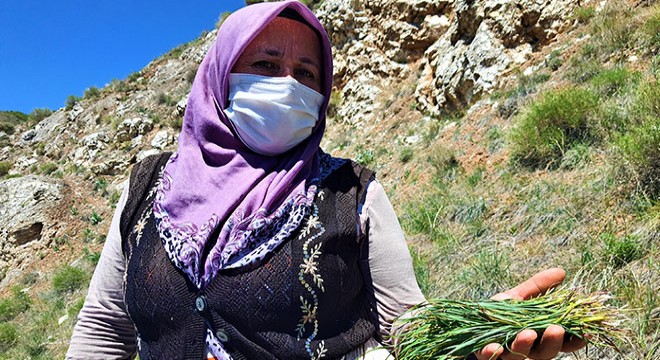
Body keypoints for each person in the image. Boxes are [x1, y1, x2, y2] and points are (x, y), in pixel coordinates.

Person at [66, 1, 585, 359]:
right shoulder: (148, 191)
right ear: (220, 75)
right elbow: (104, 331)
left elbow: (408, 329)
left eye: (307, 74)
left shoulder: (352, 194)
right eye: (266, 64)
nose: (288, 85)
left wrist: (475, 332)